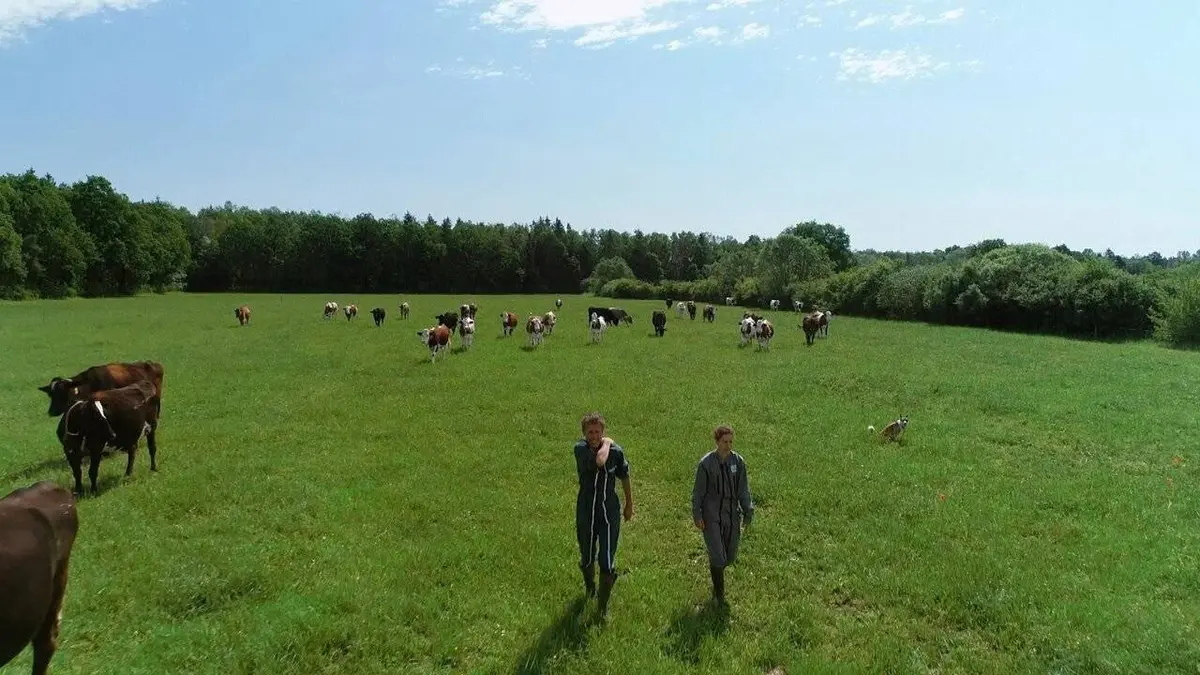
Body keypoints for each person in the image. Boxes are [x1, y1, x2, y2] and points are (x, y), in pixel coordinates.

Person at [573, 412, 634, 617]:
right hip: (586, 511)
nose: (594, 435)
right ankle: (590, 587)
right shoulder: (580, 449)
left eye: (598, 432)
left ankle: (602, 606)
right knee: (587, 555)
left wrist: (629, 504)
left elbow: (624, 476)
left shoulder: (617, 453)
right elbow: (599, 461)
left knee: (607, 558)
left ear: (603, 431)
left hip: (609, 512)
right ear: (584, 434)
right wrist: (607, 443)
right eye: (590, 432)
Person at [692, 425, 754, 604]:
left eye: (730, 442)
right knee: (718, 556)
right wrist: (697, 514)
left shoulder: (738, 462)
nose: (728, 445)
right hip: (712, 516)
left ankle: (716, 570)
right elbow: (698, 492)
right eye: (725, 442)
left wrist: (748, 510)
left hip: (732, 515)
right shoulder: (706, 464)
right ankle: (719, 596)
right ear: (717, 442)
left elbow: (743, 489)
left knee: (729, 556)